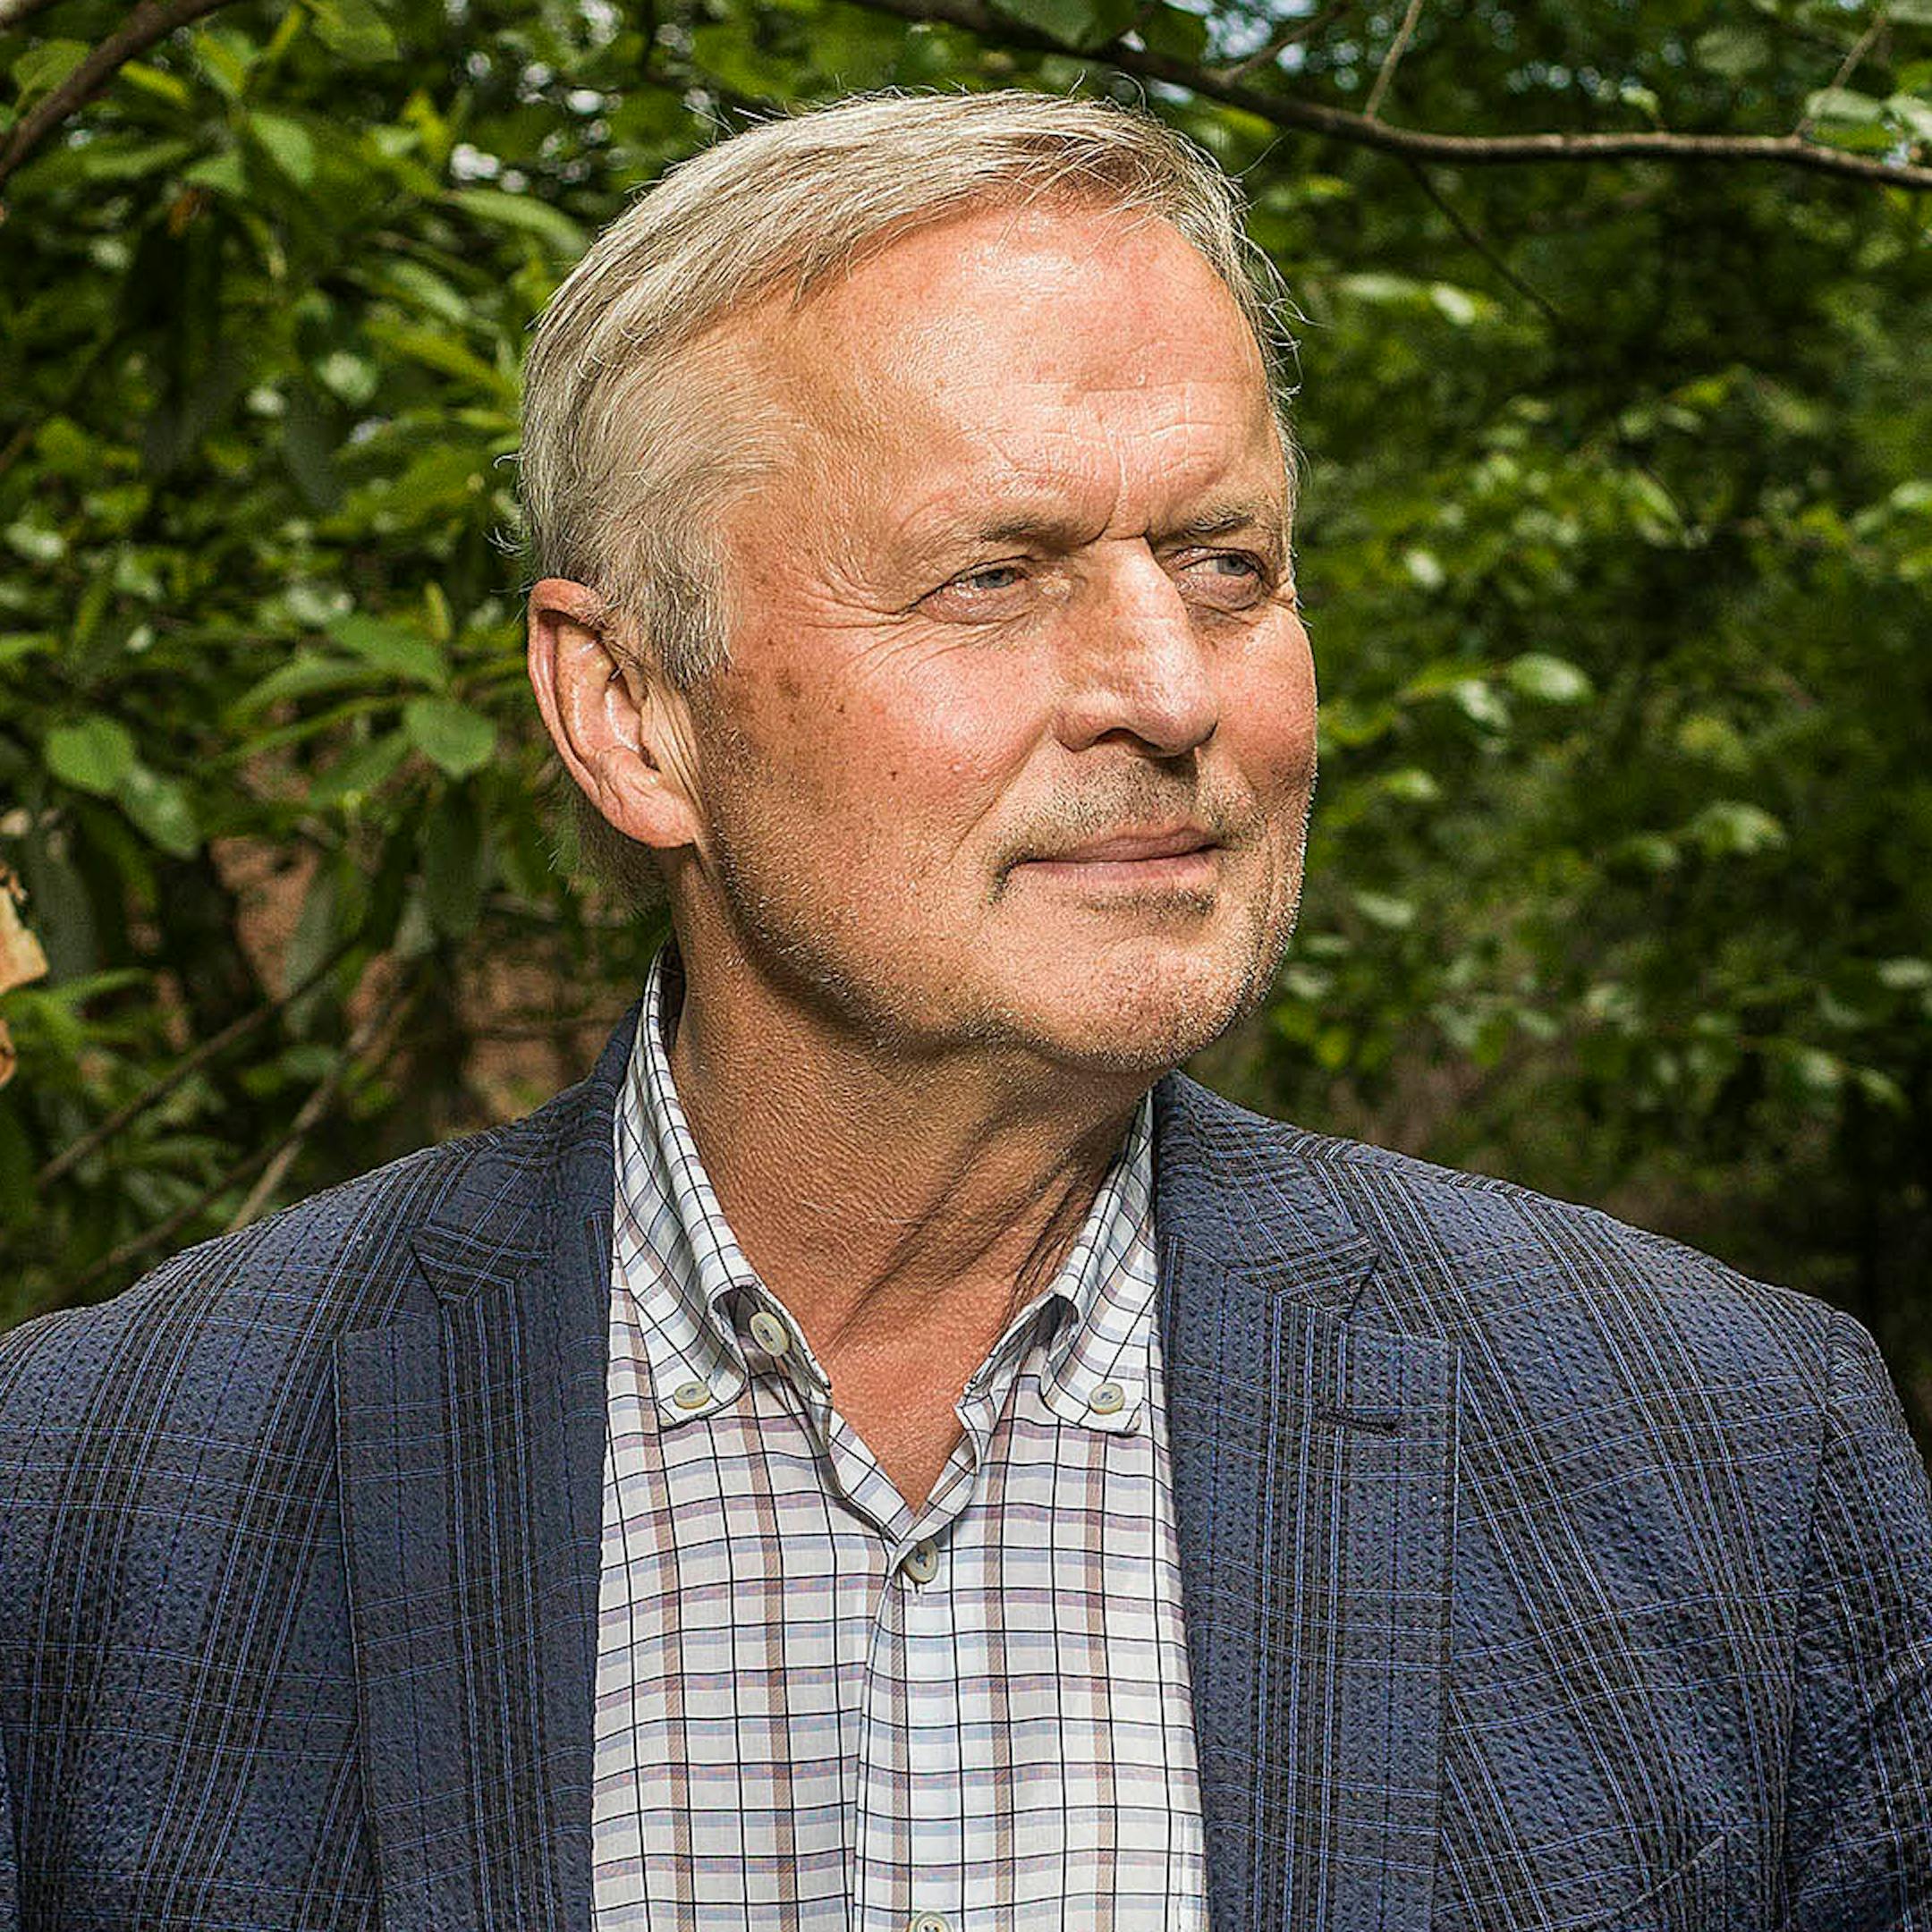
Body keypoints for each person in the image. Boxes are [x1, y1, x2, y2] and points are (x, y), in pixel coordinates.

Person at [1, 88, 1928, 1932]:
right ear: (632, 712)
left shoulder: (1729, 1454)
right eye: (994, 577)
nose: (1171, 692)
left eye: (1226, 564)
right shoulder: (96, 1500)